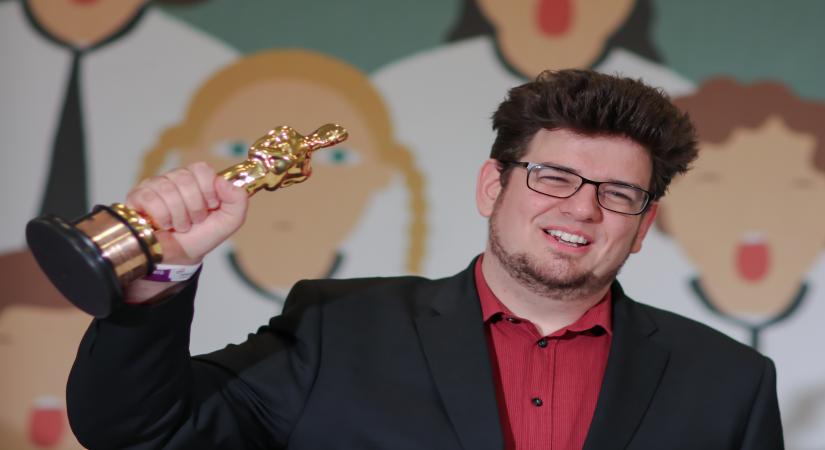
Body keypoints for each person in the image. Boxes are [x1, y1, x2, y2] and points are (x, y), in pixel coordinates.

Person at [66, 69, 783, 449]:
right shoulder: (336, 329)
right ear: (490, 186)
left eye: (618, 193)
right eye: (553, 178)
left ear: (643, 224)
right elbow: (140, 432)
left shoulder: (728, 383)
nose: (582, 209)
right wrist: (161, 273)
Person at [138, 49, 425, 353]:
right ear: (189, 155)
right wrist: (162, 271)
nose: (300, 198)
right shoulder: (177, 282)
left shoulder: (382, 313)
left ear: (381, 174)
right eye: (233, 146)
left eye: (339, 157)